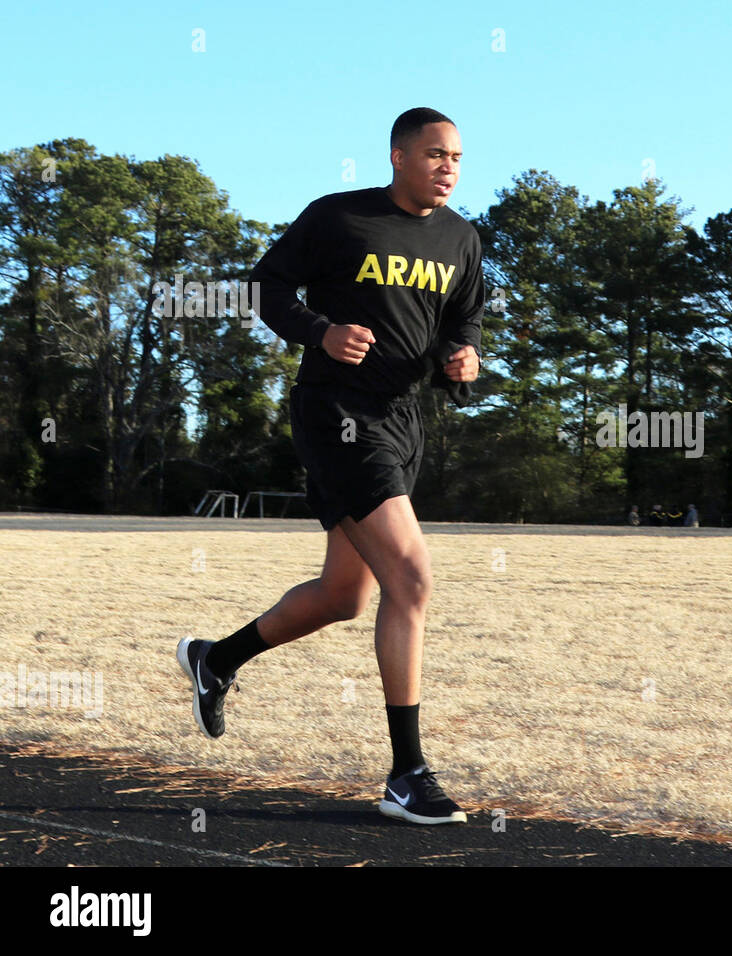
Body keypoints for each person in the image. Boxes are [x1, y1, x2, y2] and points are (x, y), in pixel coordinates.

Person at [175, 107, 483, 826]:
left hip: (404, 422)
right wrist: (322, 332)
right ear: (398, 157)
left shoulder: (463, 239)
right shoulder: (339, 219)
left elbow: (461, 323)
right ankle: (408, 774)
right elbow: (265, 288)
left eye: (459, 158)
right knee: (411, 578)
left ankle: (215, 659)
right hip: (337, 416)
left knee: (345, 597)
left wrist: (462, 363)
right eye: (436, 154)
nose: (449, 167)